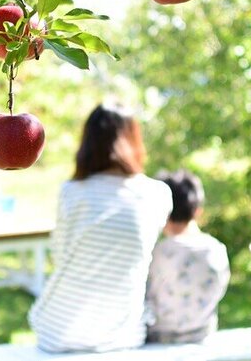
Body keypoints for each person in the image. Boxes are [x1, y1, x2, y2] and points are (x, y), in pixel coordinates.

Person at [28, 103, 172, 353]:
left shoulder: (71, 192)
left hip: (58, 332)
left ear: (88, 142)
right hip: (123, 334)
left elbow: (60, 254)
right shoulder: (158, 194)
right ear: (134, 140)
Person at [145, 170, 230, 344]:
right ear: (198, 210)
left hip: (160, 340)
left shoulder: (156, 254)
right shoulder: (216, 249)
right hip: (202, 338)